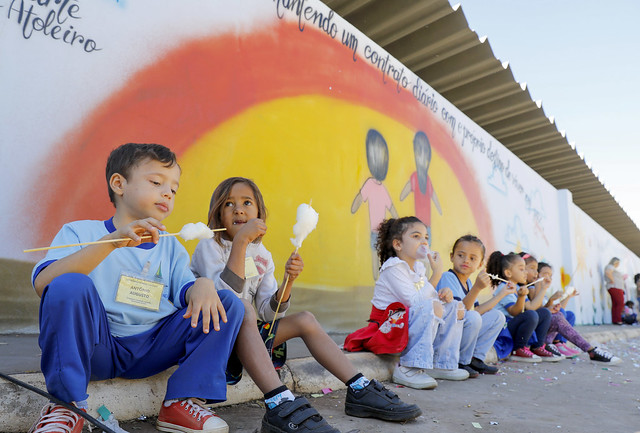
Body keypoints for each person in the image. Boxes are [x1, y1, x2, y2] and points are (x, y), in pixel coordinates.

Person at [28, 143, 244, 433]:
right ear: (119, 184)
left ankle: (180, 403)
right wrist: (113, 243)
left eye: (173, 189)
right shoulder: (80, 232)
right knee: (68, 283)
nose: (167, 192)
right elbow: (45, 283)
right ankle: (66, 406)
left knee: (226, 302)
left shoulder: (171, 246)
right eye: (156, 182)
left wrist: (202, 285)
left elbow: (185, 292)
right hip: (96, 347)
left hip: (152, 348)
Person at [190, 177, 422, 425]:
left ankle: (360, 387)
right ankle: (279, 401)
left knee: (305, 319)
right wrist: (240, 244)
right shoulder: (209, 248)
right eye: (229, 204)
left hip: (245, 336)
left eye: (247, 202)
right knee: (242, 307)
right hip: (214, 333)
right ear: (218, 214)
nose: (238, 209)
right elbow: (226, 301)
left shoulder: (263, 256)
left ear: (259, 213)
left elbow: (270, 314)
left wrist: (288, 282)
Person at [346, 216, 468, 390]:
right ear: (398, 245)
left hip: (406, 321)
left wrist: (443, 295)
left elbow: (428, 300)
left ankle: (441, 363)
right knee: (430, 307)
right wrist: (436, 275)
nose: (424, 242)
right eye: (416, 236)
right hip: (388, 326)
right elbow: (414, 302)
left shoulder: (418, 268)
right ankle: (409, 368)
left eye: (426, 237)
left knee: (454, 306)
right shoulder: (393, 267)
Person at [435, 235, 512, 376]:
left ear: (480, 264)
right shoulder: (448, 277)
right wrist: (477, 288)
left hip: (461, 330)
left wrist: (502, 294)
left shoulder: (469, 283)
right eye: (460, 255)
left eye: (472, 258)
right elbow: (460, 311)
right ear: (452, 257)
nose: (466, 261)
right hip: (447, 333)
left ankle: (475, 359)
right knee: (473, 317)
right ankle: (461, 362)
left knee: (497, 317)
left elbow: (476, 310)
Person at [534, 262, 621, 364]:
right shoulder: (533, 289)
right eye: (545, 274)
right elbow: (538, 311)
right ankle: (591, 350)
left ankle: (558, 343)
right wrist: (550, 302)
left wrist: (567, 297)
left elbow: (547, 310)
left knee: (567, 314)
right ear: (537, 274)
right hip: (538, 328)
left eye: (550, 275)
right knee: (558, 315)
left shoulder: (542, 293)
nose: (548, 277)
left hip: (545, 325)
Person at [487, 251, 554, 362]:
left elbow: (532, 307)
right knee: (530, 315)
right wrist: (522, 297)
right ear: (508, 273)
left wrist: (544, 288)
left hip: (513, 324)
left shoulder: (518, 287)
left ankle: (537, 347)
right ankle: (518, 349)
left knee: (544, 313)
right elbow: (514, 312)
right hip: (504, 328)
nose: (526, 273)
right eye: (522, 269)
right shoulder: (504, 287)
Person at [351, 129, 398, 280]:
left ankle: (378, 281)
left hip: (382, 233)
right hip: (377, 232)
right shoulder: (370, 184)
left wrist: (400, 224)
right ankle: (377, 281)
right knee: (376, 258)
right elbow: (359, 199)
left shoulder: (380, 187)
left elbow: (392, 208)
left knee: (378, 258)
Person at [604, 257, 625, 325]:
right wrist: (613, 280)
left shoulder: (611, 267)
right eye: (618, 263)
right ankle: (618, 319)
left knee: (616, 304)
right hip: (615, 287)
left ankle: (615, 319)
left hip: (615, 287)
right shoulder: (610, 266)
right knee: (620, 303)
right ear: (615, 262)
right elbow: (608, 272)